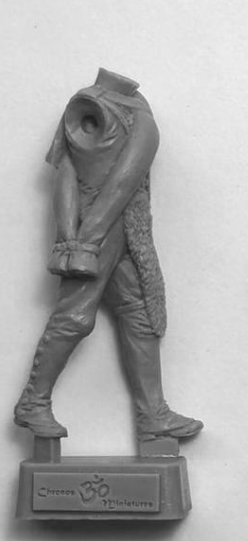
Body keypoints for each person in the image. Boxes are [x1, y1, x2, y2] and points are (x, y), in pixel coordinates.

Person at [14, 68, 202, 442]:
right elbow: (112, 183)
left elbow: (87, 179)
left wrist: (76, 237)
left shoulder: (123, 108)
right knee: (75, 316)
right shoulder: (126, 114)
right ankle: (33, 402)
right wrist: (82, 240)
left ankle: (153, 415)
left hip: (118, 228)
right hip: (103, 226)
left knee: (138, 312)